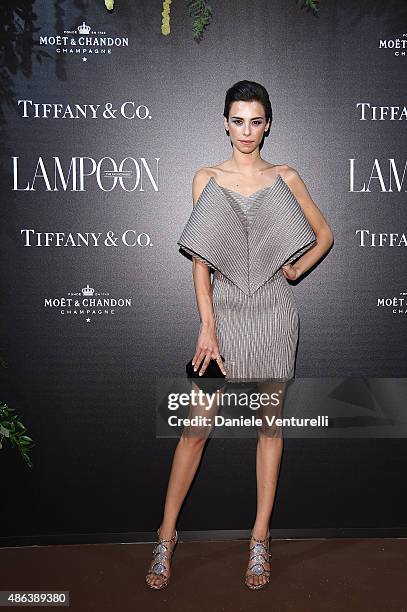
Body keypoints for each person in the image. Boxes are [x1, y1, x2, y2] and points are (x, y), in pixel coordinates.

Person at [145, 80, 334, 591]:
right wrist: (207, 327)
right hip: (222, 316)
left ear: (267, 123)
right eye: (237, 120)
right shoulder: (206, 177)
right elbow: (202, 261)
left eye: (255, 120)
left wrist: (295, 271)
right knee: (195, 429)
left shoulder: (285, 176)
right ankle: (165, 537)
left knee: (269, 428)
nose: (246, 130)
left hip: (274, 314)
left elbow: (325, 235)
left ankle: (258, 539)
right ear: (225, 122)